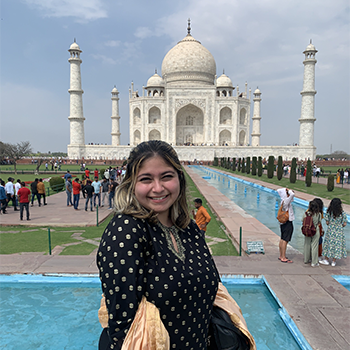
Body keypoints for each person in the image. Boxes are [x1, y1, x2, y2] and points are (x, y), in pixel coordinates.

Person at [96, 140, 252, 350]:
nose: (158, 188)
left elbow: (213, 288)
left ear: (180, 178)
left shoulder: (188, 228)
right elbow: (123, 328)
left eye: (166, 177)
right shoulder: (127, 229)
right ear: (132, 184)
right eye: (146, 179)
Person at [319, 198, 347, 267]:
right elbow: (344, 223)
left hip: (331, 231)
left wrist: (332, 224)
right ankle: (334, 261)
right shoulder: (342, 213)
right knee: (337, 246)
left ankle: (326, 259)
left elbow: (327, 222)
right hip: (339, 231)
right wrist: (340, 225)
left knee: (329, 244)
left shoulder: (329, 212)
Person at [277, 187, 295, 263]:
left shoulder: (283, 201)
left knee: (282, 238)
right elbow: (292, 194)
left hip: (283, 223)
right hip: (287, 222)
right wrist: (289, 191)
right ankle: (283, 257)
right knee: (285, 240)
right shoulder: (286, 201)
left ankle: (281, 255)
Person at [303, 200, 322, 267]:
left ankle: (306, 259)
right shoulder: (318, 214)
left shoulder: (306, 213)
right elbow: (319, 222)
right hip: (315, 230)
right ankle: (314, 262)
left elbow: (303, 220)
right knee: (314, 245)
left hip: (307, 230)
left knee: (307, 244)